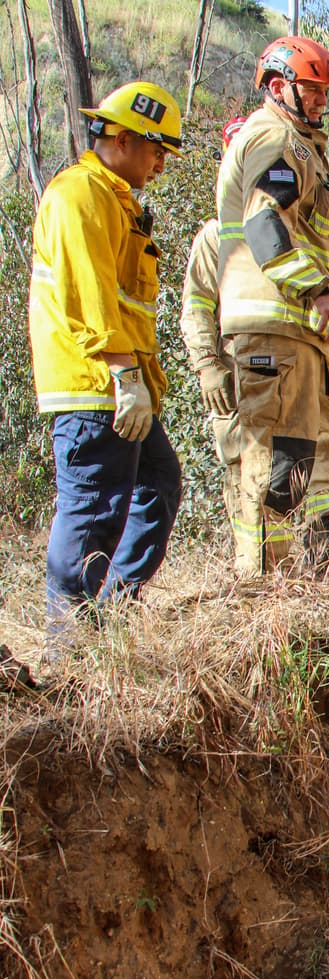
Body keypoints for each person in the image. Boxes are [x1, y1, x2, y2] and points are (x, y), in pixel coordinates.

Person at [29, 80, 184, 625]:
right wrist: (124, 374)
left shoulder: (116, 201)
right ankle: (71, 651)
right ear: (120, 138)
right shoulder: (80, 194)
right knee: (93, 512)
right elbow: (89, 295)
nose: (162, 163)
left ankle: (108, 615)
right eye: (157, 148)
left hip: (124, 385)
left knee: (158, 485)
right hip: (95, 387)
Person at [216, 35, 329, 572]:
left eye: (326, 88)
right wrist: (320, 293)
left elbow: (317, 244)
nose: (323, 97)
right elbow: (264, 225)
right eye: (313, 87)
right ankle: (264, 597)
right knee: (283, 467)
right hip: (275, 323)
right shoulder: (273, 136)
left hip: (309, 330)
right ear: (280, 87)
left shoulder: (305, 146)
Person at [180, 115, 256, 571]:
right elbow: (196, 306)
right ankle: (249, 569)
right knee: (240, 468)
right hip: (231, 372)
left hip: (280, 371)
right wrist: (208, 364)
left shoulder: (286, 227)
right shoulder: (215, 236)